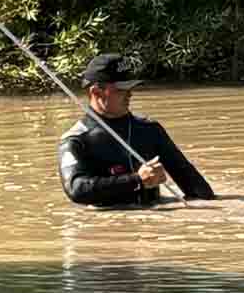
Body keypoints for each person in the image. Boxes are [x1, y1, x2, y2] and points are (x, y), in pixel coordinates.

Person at [58, 53, 216, 206]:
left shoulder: (149, 130)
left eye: (131, 88)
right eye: (121, 89)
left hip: (154, 227)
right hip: (108, 228)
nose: (130, 94)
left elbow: (198, 189)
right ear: (96, 92)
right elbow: (76, 190)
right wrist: (137, 180)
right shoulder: (77, 139)